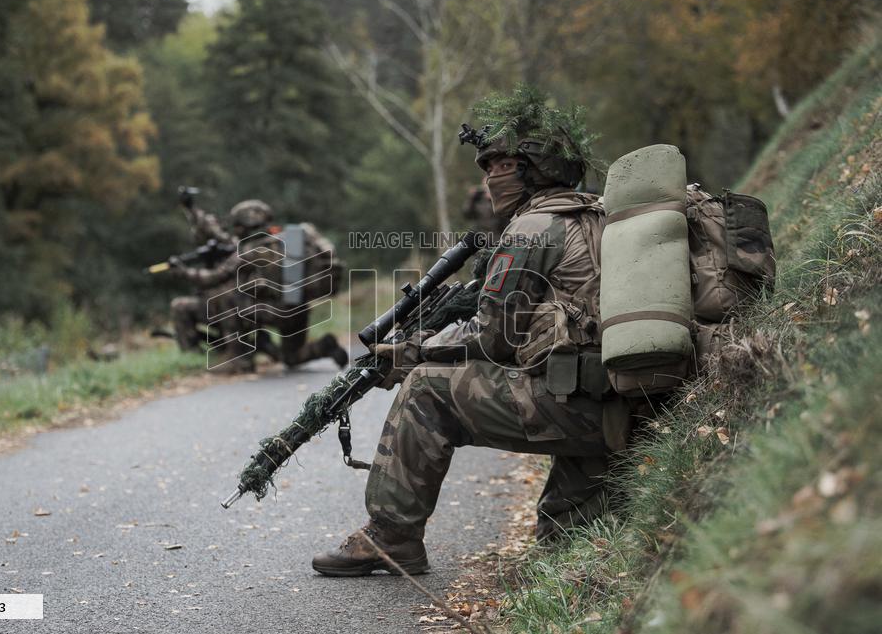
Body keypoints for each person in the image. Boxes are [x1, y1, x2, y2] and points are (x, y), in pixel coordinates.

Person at [312, 92, 630, 576]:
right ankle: (581, 526)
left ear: (532, 170)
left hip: (585, 409)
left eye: (499, 166)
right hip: (630, 408)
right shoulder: (602, 217)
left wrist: (413, 354)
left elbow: (492, 338)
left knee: (427, 390)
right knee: (563, 541)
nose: (488, 178)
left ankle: (392, 537)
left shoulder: (532, 229)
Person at [173, 199, 349, 374]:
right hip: (299, 309)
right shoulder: (292, 241)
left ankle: (240, 360)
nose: (236, 231)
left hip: (270, 312)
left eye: (238, 226)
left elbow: (213, 278)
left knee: (231, 298)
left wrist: (183, 272)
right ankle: (324, 346)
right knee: (292, 357)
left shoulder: (250, 251)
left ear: (245, 225)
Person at [169, 188, 239, 352]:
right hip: (229, 308)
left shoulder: (235, 248)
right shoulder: (244, 245)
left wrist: (184, 272)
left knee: (181, 306)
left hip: (229, 307)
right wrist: (190, 209)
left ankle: (199, 352)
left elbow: (214, 277)